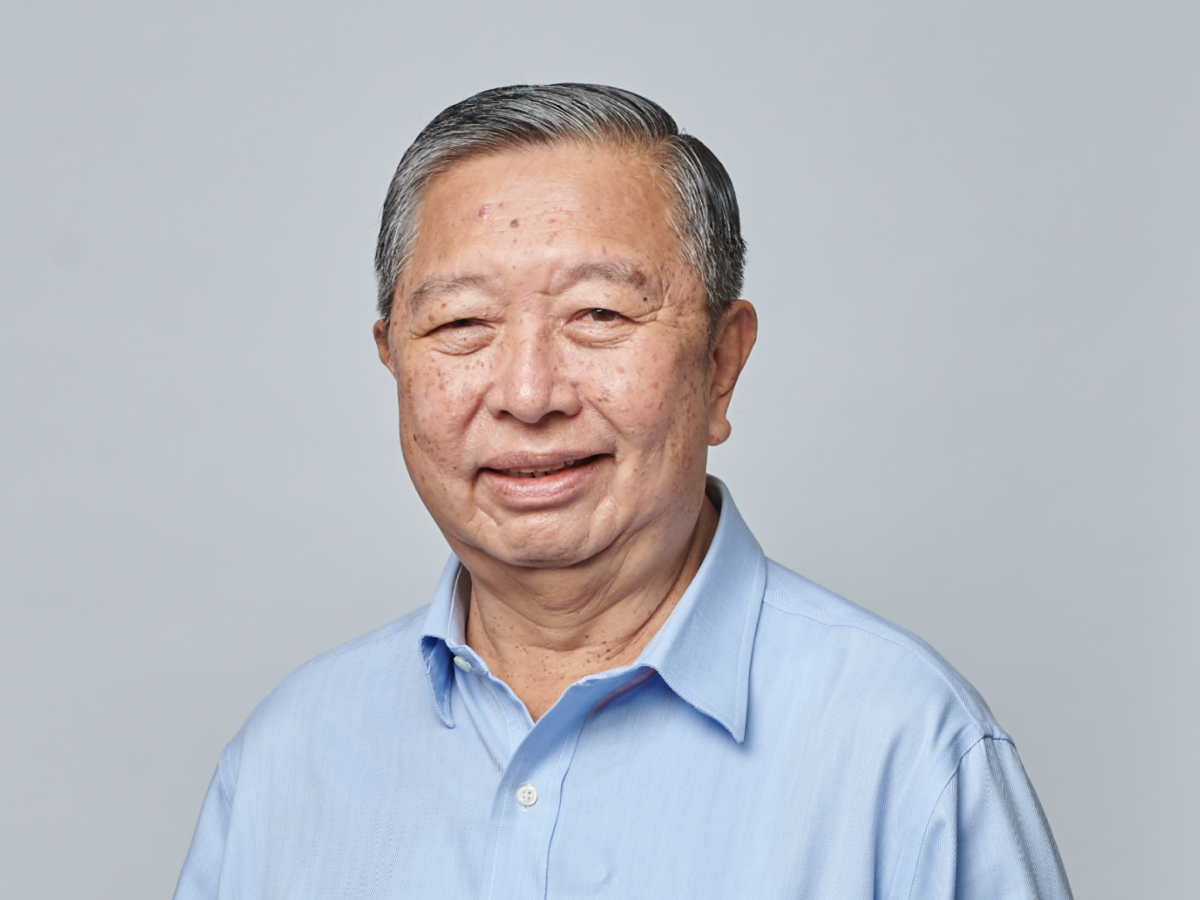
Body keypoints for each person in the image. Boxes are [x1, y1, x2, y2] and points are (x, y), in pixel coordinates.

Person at [174, 83, 1072, 899]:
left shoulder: (908, 753)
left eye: (598, 315)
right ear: (393, 363)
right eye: (460, 324)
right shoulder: (286, 761)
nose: (528, 395)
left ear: (721, 366)